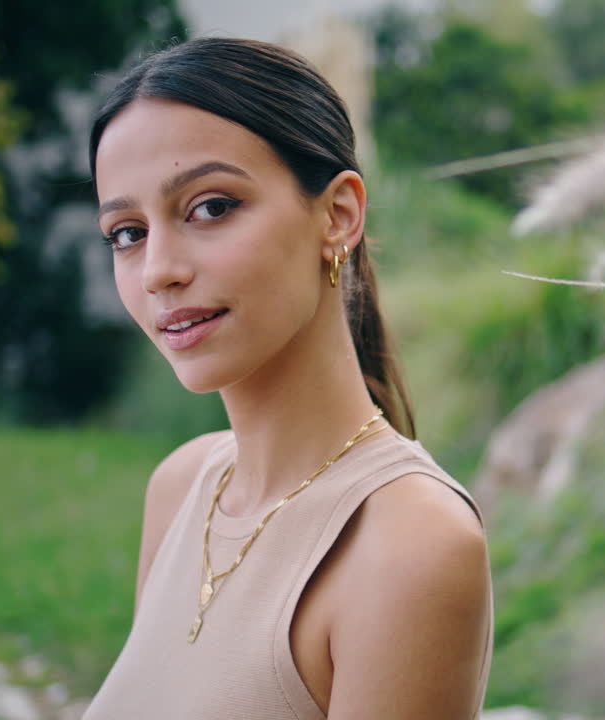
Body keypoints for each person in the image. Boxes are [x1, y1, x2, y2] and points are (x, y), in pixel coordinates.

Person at [82, 38, 493, 719]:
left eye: (210, 207)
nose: (158, 270)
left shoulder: (411, 544)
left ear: (338, 216)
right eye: (127, 232)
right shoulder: (184, 487)